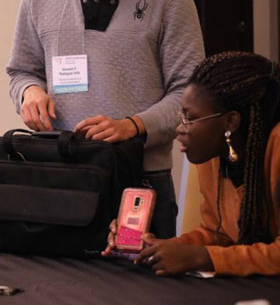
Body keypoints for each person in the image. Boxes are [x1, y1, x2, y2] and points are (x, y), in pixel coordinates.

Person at [6, 0, 205, 238]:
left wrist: (132, 125)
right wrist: (29, 92)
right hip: (62, 174)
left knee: (142, 291)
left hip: (141, 181)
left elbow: (191, 96)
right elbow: (21, 71)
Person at [104, 52, 280, 276]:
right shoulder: (214, 154)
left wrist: (203, 257)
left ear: (231, 122)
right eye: (181, 115)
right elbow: (218, 233)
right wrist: (166, 247)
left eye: (190, 118)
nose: (180, 128)